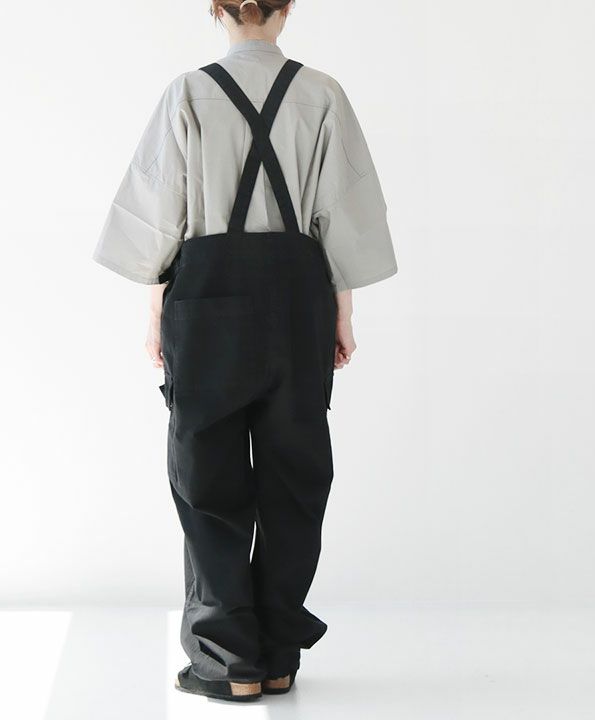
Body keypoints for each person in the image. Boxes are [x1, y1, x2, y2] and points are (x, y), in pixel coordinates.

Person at [93, 0, 397, 703]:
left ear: (216, 10)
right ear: (287, 9)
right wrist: (342, 314)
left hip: (206, 304)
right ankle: (279, 652)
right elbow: (344, 217)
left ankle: (228, 661)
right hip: (297, 305)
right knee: (295, 475)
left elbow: (158, 220)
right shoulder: (322, 94)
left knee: (207, 478)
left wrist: (155, 314)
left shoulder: (188, 94)